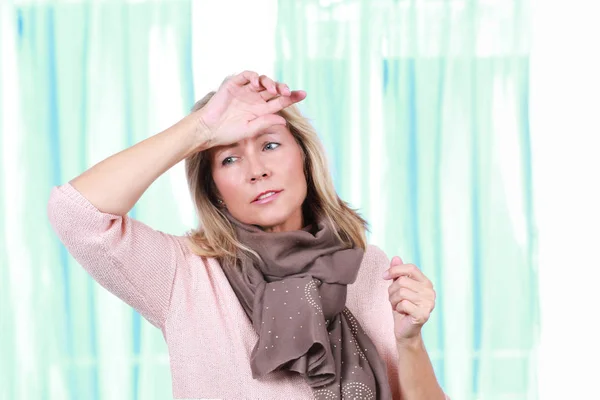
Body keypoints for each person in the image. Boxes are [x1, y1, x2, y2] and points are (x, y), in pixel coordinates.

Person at [47, 71, 449, 399]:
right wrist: (200, 130)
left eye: (271, 145)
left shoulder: (367, 266)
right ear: (214, 188)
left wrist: (409, 340)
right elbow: (77, 214)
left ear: (305, 160)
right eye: (229, 157)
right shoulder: (184, 274)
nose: (256, 170)